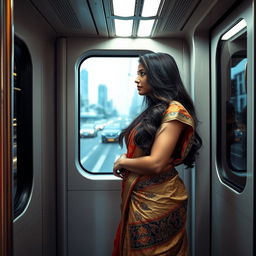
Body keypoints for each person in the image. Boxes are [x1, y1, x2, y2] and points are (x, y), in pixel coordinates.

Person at [112, 52, 202, 256]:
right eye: (137, 73)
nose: (136, 79)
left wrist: (122, 162)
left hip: (159, 199)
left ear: (159, 75)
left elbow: (156, 163)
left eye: (142, 73)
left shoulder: (175, 111)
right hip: (144, 195)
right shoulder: (156, 110)